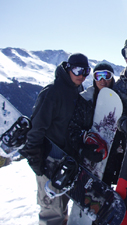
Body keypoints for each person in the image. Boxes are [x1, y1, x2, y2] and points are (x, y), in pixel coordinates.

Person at [20, 53, 91, 225]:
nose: (81, 75)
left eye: (86, 71)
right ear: (67, 68)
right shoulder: (53, 91)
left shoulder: (78, 89)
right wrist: (35, 156)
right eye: (77, 70)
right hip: (50, 162)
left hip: (68, 163)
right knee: (52, 211)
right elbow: (36, 127)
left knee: (64, 205)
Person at [68, 62, 123, 186]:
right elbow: (73, 128)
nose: (102, 80)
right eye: (98, 76)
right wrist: (83, 150)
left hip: (112, 159)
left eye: (106, 76)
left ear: (112, 78)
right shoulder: (85, 100)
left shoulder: (119, 101)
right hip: (88, 156)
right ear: (94, 79)